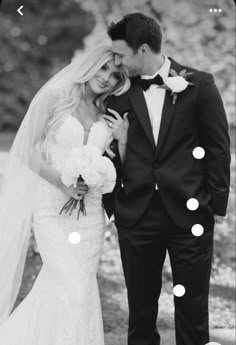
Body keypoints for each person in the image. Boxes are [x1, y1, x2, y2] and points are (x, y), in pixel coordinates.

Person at [103, 13, 231, 345]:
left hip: (190, 213)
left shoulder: (200, 85)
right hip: (137, 215)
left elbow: (218, 148)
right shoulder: (118, 95)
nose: (116, 62)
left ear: (142, 49)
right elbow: (107, 155)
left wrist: (216, 204)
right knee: (140, 309)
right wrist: (113, 206)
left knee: (192, 304)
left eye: (121, 54)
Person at [0, 45, 130, 345]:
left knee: (75, 288)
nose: (107, 78)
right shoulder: (54, 99)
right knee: (72, 288)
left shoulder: (106, 114)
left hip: (91, 215)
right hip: (52, 208)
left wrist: (122, 140)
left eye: (115, 75)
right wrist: (62, 182)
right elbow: (25, 150)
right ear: (90, 66)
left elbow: (119, 166)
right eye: (103, 69)